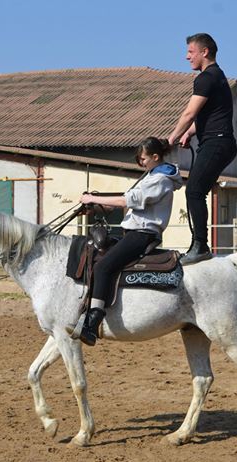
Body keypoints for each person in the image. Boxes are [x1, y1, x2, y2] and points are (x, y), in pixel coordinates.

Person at [68, 137, 183, 346]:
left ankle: (92, 323)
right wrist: (95, 206)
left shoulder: (160, 180)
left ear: (155, 157)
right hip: (133, 232)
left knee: (103, 267)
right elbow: (127, 203)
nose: (141, 163)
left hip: (142, 234)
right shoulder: (151, 175)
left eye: (143, 159)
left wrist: (93, 199)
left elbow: (126, 200)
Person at [167, 33, 237, 265]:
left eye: (191, 52)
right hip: (219, 142)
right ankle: (198, 244)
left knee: (194, 191)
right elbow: (210, 116)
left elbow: (189, 113)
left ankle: (200, 246)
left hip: (217, 142)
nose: (187, 57)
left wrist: (171, 138)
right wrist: (189, 133)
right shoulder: (218, 76)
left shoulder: (206, 78)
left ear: (204, 52)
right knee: (196, 191)